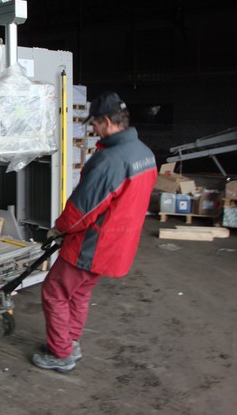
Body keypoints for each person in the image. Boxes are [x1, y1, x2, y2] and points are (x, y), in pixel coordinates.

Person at [31, 91, 157, 372]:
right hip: (118, 244)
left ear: (107, 121)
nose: (94, 129)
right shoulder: (144, 154)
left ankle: (61, 354)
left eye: (95, 124)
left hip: (92, 245)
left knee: (54, 292)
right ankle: (69, 342)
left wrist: (59, 229)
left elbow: (83, 211)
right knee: (78, 293)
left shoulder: (110, 160)